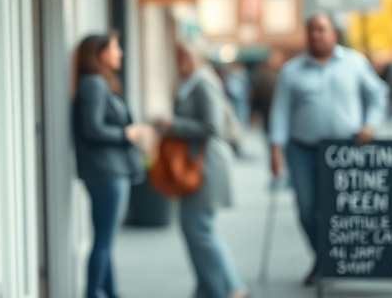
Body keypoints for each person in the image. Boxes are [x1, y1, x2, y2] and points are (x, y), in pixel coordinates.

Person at [268, 12, 387, 286]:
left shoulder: (355, 63)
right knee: (307, 209)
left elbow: (378, 94)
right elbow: (280, 112)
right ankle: (324, 257)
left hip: (346, 152)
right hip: (303, 151)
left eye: (321, 29)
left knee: (340, 210)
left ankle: (330, 261)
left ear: (334, 33)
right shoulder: (291, 70)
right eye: (311, 30)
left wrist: (370, 124)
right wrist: (275, 151)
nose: (316, 35)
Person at [153, 40, 247, 298]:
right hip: (193, 163)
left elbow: (212, 126)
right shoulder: (190, 82)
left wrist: (173, 125)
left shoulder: (204, 82)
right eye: (178, 55)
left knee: (200, 229)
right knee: (194, 229)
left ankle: (231, 287)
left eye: (186, 55)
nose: (180, 61)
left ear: (198, 56)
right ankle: (208, 288)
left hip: (205, 165)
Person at [71, 33, 153, 298]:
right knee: (104, 240)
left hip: (108, 170)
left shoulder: (99, 82)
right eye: (115, 47)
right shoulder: (94, 83)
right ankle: (93, 293)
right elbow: (92, 128)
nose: (120, 52)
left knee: (105, 239)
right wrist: (128, 133)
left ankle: (109, 292)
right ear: (99, 53)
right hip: (107, 171)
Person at [249, 49, 283, 133]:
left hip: (280, 108)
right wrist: (255, 110)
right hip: (266, 107)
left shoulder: (283, 73)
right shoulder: (262, 73)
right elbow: (256, 92)